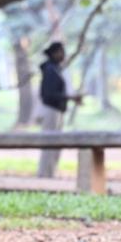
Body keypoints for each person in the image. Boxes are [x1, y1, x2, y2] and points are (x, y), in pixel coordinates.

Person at [37, 41, 83, 178]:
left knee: (56, 144)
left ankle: (51, 172)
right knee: (49, 143)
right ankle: (45, 174)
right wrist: (69, 97)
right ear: (54, 53)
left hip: (58, 110)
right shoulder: (50, 70)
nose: (63, 55)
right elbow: (48, 94)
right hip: (51, 110)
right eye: (60, 52)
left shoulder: (57, 69)